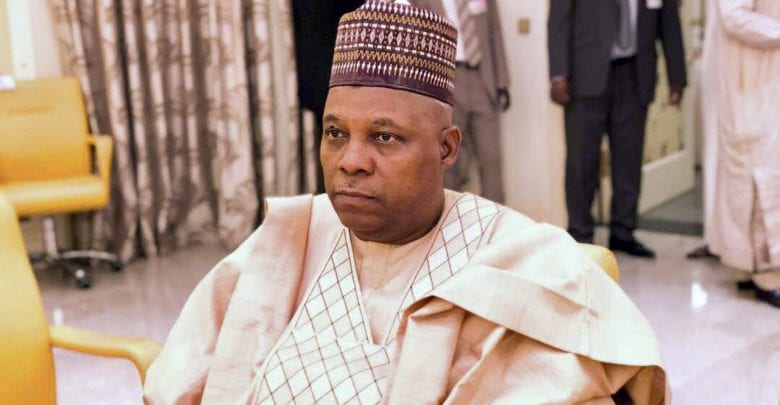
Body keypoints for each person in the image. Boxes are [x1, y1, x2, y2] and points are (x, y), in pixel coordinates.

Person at [144, 2, 669, 403]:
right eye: (335, 133)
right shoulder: (291, 235)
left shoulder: (519, 259)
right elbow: (183, 375)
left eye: (384, 137)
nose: (350, 161)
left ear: (446, 149)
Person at [547, 0, 687, 258]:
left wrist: (677, 75)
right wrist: (558, 74)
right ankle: (580, 233)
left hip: (635, 75)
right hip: (584, 76)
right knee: (581, 161)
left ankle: (623, 231)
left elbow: (668, 20)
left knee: (629, 160)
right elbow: (559, 20)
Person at [701, 0, 780, 308]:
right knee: (759, 177)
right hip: (748, 84)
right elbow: (734, 17)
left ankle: (748, 266)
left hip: (763, 81)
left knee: (756, 175)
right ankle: (766, 274)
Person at [414, 0, 510, 203]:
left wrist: (502, 81)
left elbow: (495, 31)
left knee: (491, 158)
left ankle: (496, 217)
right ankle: (447, 215)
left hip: (482, 79)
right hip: (446, 80)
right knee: (449, 159)